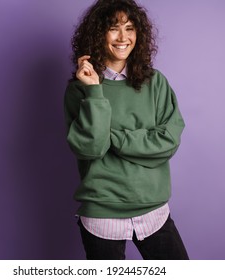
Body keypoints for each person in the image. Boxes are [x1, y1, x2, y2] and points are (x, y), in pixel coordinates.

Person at [64, 0, 189, 260]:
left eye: (130, 28)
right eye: (114, 28)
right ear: (98, 33)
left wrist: (114, 138)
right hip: (101, 213)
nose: (123, 37)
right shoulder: (80, 90)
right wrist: (93, 90)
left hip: (153, 210)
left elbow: (167, 142)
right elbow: (92, 148)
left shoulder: (155, 82)